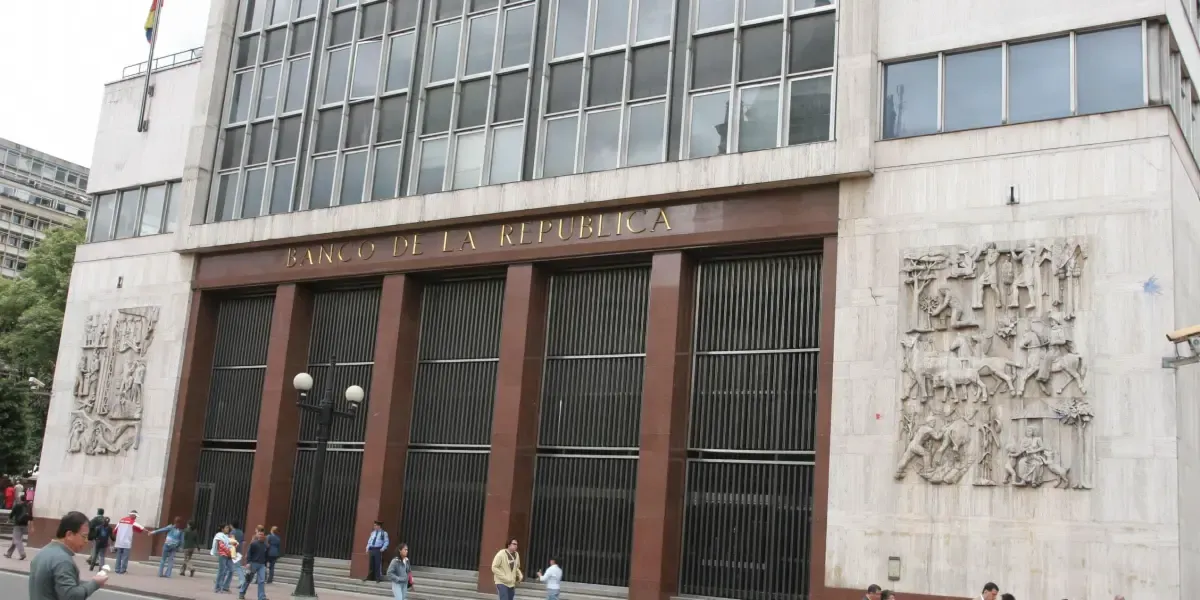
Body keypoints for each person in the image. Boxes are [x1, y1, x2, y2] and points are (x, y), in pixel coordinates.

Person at [27, 511, 108, 600]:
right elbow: (71, 596)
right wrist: (95, 583)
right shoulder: (63, 561)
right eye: (84, 536)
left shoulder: (43, 552)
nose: (86, 541)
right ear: (69, 535)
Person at [111, 510, 145, 574]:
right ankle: (123, 570)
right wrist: (148, 531)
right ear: (132, 515)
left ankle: (117, 569)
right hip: (127, 542)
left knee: (119, 556)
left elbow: (115, 530)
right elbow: (141, 528)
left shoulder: (121, 520)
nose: (135, 518)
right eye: (135, 516)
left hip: (119, 541)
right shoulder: (132, 522)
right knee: (125, 557)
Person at [238, 530, 269, 600]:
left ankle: (261, 597)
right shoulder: (254, 544)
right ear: (257, 535)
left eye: (262, 535)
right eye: (259, 534)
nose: (261, 536)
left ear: (264, 536)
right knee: (248, 579)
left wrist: (265, 564)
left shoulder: (265, 545)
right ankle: (241, 593)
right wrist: (248, 563)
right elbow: (249, 553)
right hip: (253, 564)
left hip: (262, 565)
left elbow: (266, 555)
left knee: (261, 581)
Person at [212, 523, 235, 593]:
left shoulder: (228, 536)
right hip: (223, 555)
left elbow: (233, 544)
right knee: (221, 571)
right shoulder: (219, 536)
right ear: (222, 529)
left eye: (228, 528)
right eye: (226, 528)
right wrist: (229, 552)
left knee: (231, 570)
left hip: (229, 555)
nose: (227, 529)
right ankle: (217, 587)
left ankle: (225, 586)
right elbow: (221, 546)